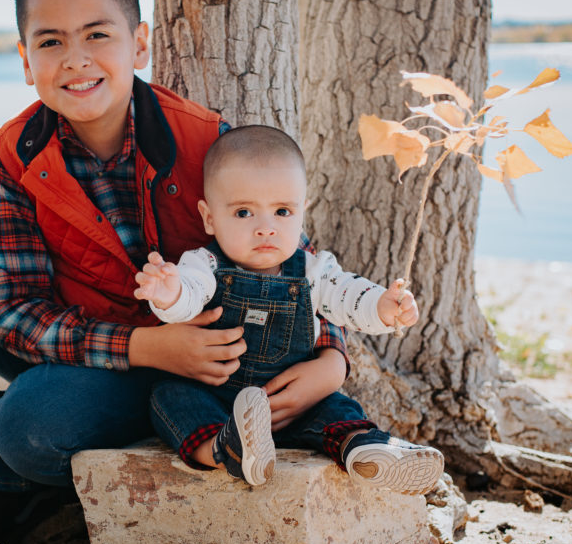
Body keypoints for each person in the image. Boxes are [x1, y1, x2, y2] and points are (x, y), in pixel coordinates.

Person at [0, 0, 351, 544]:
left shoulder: (207, 143)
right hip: (94, 356)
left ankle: (158, 433)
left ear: (139, 45)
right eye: (50, 42)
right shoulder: (12, 156)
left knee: (30, 422)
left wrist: (332, 360)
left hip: (209, 365)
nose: (76, 59)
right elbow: (15, 315)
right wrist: (144, 346)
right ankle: (4, 484)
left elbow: (290, 262)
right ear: (25, 60)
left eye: (98, 34)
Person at [134, 124, 444, 492]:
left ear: (301, 215)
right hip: (217, 397)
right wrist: (168, 293)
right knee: (170, 398)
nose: (266, 228)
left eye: (282, 211)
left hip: (293, 400)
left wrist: (382, 306)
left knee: (335, 408)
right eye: (244, 213)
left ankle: (365, 448)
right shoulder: (204, 264)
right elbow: (188, 298)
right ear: (209, 218)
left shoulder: (313, 270)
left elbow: (347, 296)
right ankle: (226, 448)